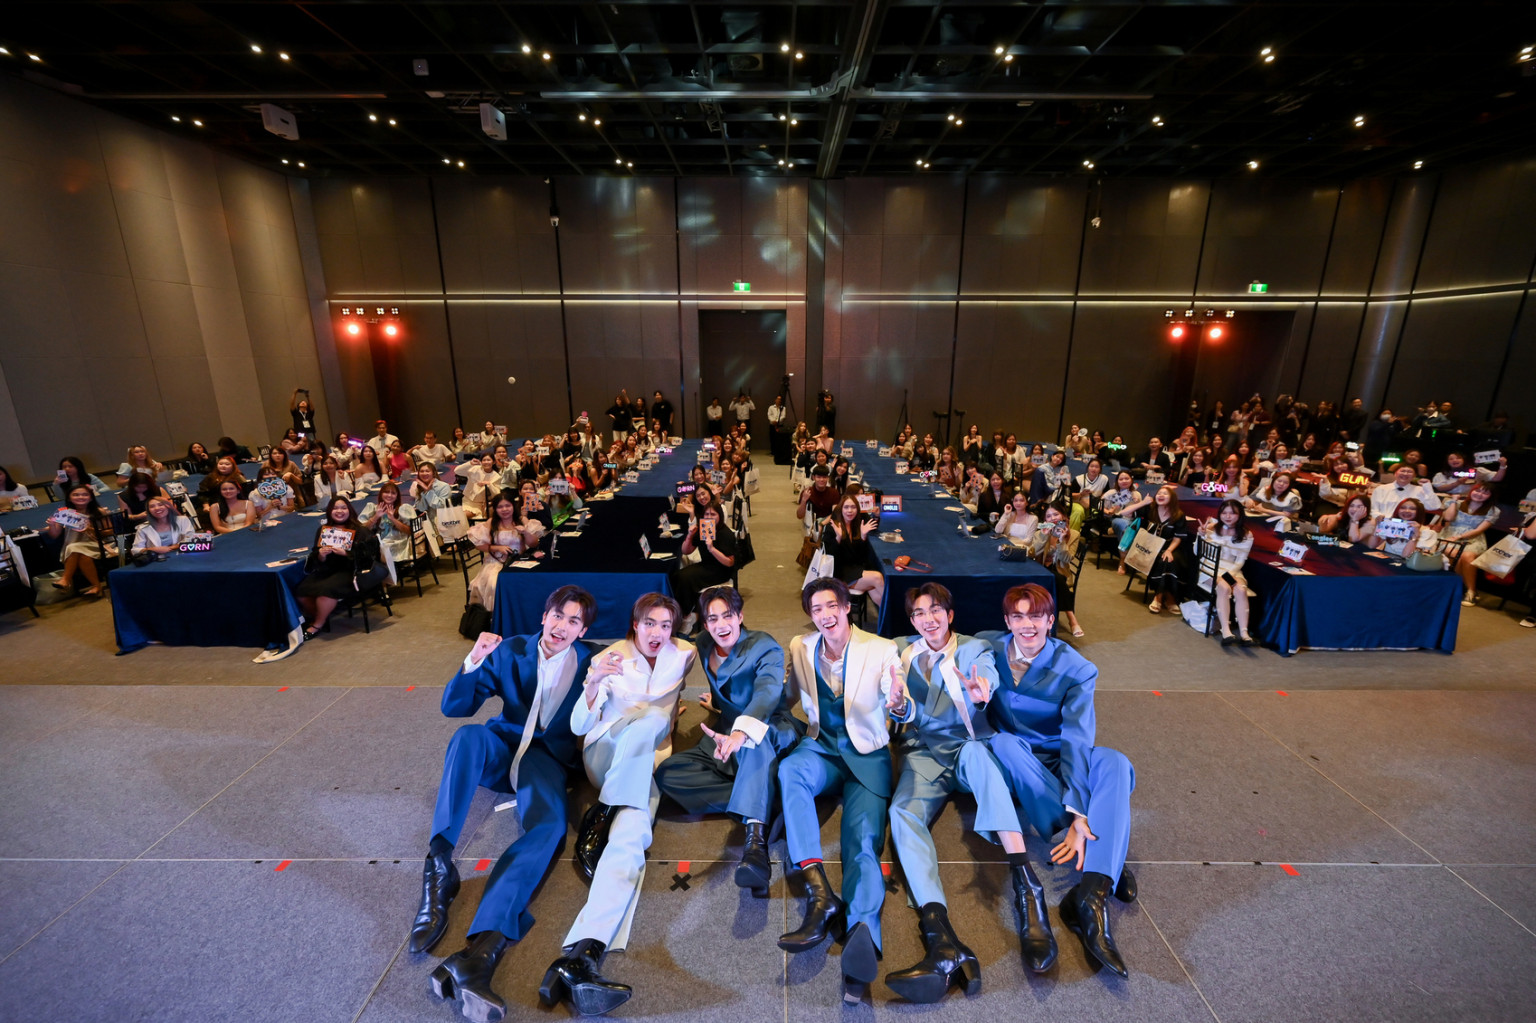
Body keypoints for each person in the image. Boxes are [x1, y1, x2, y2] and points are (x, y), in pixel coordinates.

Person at [414, 588, 599, 1023]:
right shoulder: (511, 649)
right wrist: (474, 659)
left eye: (574, 621)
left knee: (549, 829)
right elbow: (454, 707)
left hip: (545, 760)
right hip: (502, 748)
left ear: (583, 630)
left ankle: (482, 950)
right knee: (468, 736)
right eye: (558, 615)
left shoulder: (593, 660)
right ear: (544, 615)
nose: (562, 626)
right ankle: (439, 866)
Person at [884, 583, 1057, 1001]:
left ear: (950, 615)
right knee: (901, 814)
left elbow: (986, 676)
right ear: (911, 620)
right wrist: (899, 707)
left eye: (936, 610)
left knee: (981, 757)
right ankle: (938, 931)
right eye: (919, 613)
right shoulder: (900, 651)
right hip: (924, 753)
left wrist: (982, 691)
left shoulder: (973, 648)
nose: (928, 619)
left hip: (967, 744)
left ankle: (1027, 887)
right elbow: (901, 705)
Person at [541, 594, 696, 1017]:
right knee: (651, 719)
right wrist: (592, 684)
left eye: (665, 625)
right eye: (649, 623)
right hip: (606, 758)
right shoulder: (609, 658)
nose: (657, 633)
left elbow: (676, 692)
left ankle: (583, 954)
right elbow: (579, 725)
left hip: (646, 764)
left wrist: (680, 714)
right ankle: (605, 808)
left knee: (631, 840)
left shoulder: (685, 653)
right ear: (635, 623)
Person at [980, 584, 1137, 979]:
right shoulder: (986, 647)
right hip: (1014, 756)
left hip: (1058, 754)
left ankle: (1091, 896)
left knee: (1115, 762)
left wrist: (1079, 811)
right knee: (1004, 743)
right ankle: (1104, 848)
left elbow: (1077, 739)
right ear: (1007, 621)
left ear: (1051, 620)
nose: (1027, 625)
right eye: (1018, 616)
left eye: (1036, 616)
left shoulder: (1077, 668)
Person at [777, 577, 903, 1002]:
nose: (825, 615)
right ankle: (819, 892)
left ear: (847, 607)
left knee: (862, 842)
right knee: (790, 771)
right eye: (816, 609)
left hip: (866, 756)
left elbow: (897, 697)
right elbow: (786, 697)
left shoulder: (881, 649)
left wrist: (899, 704)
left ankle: (861, 934)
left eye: (832, 605)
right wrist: (735, 717)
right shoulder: (800, 646)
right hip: (823, 749)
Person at [655, 586, 801, 893]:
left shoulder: (764, 646)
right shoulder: (704, 643)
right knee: (669, 773)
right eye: (712, 618)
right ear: (704, 623)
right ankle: (766, 797)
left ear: (740, 616)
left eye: (728, 616)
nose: (721, 625)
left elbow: (766, 693)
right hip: (725, 730)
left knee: (753, 743)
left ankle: (755, 848)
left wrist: (741, 732)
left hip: (768, 728)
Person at [295, 496, 382, 640]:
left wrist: (347, 553)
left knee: (326, 591)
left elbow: (368, 556)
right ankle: (321, 616)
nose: (339, 511)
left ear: (349, 510)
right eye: (335, 508)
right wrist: (321, 555)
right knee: (301, 591)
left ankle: (317, 624)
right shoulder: (324, 530)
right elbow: (315, 555)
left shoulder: (359, 530)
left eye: (343, 508)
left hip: (351, 571)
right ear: (329, 511)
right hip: (328, 570)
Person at [466, 491, 541, 611]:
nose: (504, 509)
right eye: (500, 507)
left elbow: (534, 544)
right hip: (496, 562)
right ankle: (497, 615)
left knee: (527, 582)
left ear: (513, 506)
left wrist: (525, 532)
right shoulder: (491, 523)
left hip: (519, 561)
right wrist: (496, 548)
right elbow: (479, 545)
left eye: (507, 505)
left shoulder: (522, 520)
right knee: (495, 584)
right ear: (495, 509)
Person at [1200, 499, 1256, 646]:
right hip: (1209, 568)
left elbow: (1240, 561)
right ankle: (1226, 631)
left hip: (1232, 570)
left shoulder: (1246, 534)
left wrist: (1227, 576)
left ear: (1240, 515)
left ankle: (1244, 634)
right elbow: (1198, 553)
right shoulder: (1211, 528)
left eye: (1232, 513)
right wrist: (1201, 536)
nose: (1228, 516)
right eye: (1224, 513)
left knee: (1241, 590)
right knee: (1224, 588)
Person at [42, 484, 115, 596]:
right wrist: (52, 525)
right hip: (77, 547)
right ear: (69, 498)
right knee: (82, 554)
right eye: (76, 495)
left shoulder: (99, 511)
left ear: (91, 498)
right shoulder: (64, 513)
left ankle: (65, 579)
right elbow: (54, 535)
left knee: (74, 548)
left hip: (99, 544)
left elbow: (110, 532)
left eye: (85, 494)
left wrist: (90, 529)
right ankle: (97, 587)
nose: (80, 497)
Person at [672, 504, 737, 626]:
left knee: (685, 578)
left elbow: (729, 562)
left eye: (713, 514)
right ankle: (683, 613)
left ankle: (685, 616)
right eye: (706, 514)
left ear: (720, 516)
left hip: (720, 570)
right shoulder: (704, 529)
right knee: (678, 575)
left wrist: (712, 549)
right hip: (706, 565)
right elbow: (686, 551)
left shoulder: (725, 533)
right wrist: (690, 535)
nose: (709, 517)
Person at [1440, 483, 1502, 606]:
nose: (1479, 494)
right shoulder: (1456, 503)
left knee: (1468, 556)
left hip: (1473, 539)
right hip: (1449, 536)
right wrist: (1454, 501)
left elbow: (1479, 530)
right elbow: (1448, 518)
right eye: (1477, 490)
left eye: (1485, 493)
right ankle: (1461, 588)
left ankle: (1470, 591)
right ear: (1471, 491)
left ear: (1491, 496)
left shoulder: (1493, 510)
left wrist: (1460, 537)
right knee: (1456, 554)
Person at [821, 494, 885, 612]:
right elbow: (831, 558)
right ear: (841, 509)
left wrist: (863, 537)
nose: (850, 511)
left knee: (877, 593)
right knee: (877, 578)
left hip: (854, 568)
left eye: (853, 507)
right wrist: (838, 538)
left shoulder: (856, 524)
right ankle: (896, 614)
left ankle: (890, 618)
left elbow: (859, 557)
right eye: (846, 507)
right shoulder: (832, 527)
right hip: (839, 573)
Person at [1029, 504, 1083, 637]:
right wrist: (1043, 537)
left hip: (1061, 571)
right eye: (1048, 516)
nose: (1052, 518)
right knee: (1055, 578)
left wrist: (1061, 541)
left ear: (1063, 516)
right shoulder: (1040, 533)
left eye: (1056, 514)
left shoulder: (1074, 534)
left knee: (1057, 578)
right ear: (1045, 520)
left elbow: (1067, 559)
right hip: (1041, 570)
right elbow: (1032, 554)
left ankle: (1069, 620)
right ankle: (1072, 619)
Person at [1142, 485, 1192, 614]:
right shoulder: (1150, 509)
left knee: (1169, 560)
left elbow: (1177, 538)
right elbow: (1124, 513)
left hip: (1170, 546)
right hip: (1151, 546)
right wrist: (1142, 502)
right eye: (1159, 493)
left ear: (1172, 498)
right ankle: (1169, 598)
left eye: (1165, 494)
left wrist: (1169, 550)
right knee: (1163, 560)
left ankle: (1159, 597)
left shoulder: (1178, 515)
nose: (1161, 495)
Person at [363, 482, 414, 566]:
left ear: (397, 496)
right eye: (386, 492)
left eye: (393, 493)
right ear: (381, 494)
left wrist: (393, 519)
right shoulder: (373, 508)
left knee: (385, 546)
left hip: (398, 540)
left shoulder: (403, 508)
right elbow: (362, 529)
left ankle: (389, 568)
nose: (389, 495)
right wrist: (376, 516)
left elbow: (410, 531)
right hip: (379, 540)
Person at [131, 495, 197, 556]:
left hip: (182, 555)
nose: (157, 508)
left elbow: (191, 540)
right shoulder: (143, 528)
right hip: (157, 559)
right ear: (148, 511)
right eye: (152, 506)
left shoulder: (183, 520)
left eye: (160, 505)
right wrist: (153, 549)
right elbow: (135, 550)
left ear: (168, 507)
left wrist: (170, 548)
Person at [1371, 464, 1441, 521]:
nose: (1405, 474)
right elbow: (1372, 509)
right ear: (1395, 473)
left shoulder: (1420, 490)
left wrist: (1428, 488)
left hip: (1409, 525)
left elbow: (1434, 507)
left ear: (1414, 476)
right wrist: (1379, 516)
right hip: (1383, 523)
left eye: (1410, 472)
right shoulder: (1381, 489)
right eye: (1402, 471)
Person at [1368, 498, 1436, 557]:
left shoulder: (1425, 532)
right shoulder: (1392, 525)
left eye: (1412, 509)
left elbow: (1406, 556)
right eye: (1403, 508)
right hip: (1386, 562)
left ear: (1419, 512)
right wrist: (1378, 525)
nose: (1407, 511)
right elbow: (1371, 546)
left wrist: (1415, 536)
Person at [1431, 452, 1507, 498]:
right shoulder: (1441, 474)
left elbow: (1497, 478)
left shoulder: (1477, 471)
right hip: (1448, 498)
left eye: (1458, 458)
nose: (1454, 460)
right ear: (1447, 462)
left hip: (1470, 499)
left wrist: (1503, 465)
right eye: (1451, 459)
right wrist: (1457, 483)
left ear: (1464, 460)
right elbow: (1440, 488)